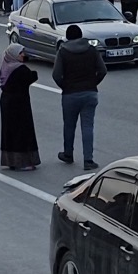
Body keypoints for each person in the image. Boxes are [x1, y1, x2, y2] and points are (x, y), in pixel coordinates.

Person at [53, 23, 106, 170]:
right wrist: (93, 83)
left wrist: (65, 86)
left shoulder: (63, 52)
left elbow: (56, 75)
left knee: (69, 125)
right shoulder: (91, 50)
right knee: (88, 126)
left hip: (70, 94)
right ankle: (88, 160)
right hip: (90, 93)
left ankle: (68, 154)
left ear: (68, 37)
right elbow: (102, 70)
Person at [0, 43, 42, 170]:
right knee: (22, 131)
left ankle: (11, 160)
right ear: (14, 55)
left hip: (6, 101)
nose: (23, 55)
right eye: (21, 53)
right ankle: (23, 162)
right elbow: (32, 76)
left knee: (9, 131)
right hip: (19, 104)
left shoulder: (6, 67)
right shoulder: (19, 69)